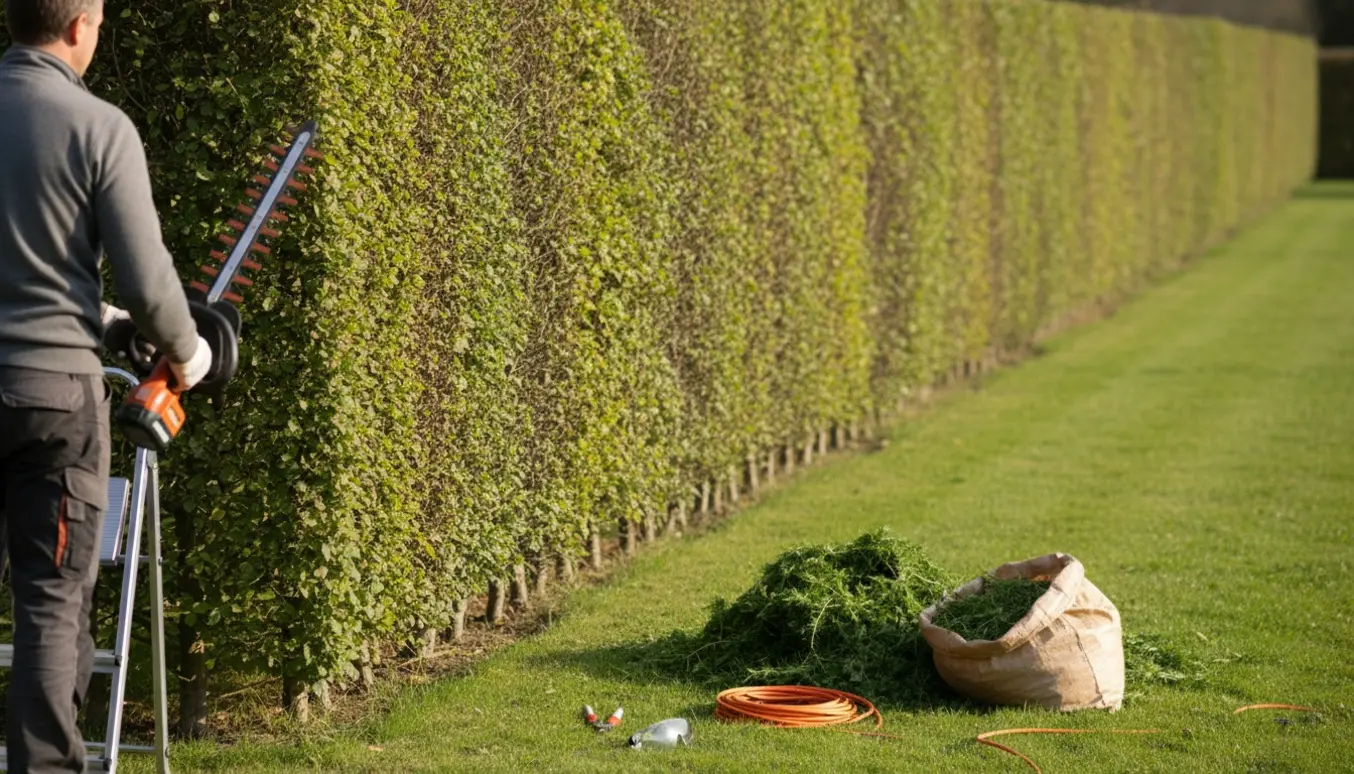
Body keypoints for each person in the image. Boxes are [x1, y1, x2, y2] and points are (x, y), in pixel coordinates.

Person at [0, 0, 211, 770]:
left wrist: (105, 318)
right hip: (54, 398)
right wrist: (187, 352)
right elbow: (151, 282)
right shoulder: (98, 127)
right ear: (79, 26)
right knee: (52, 602)